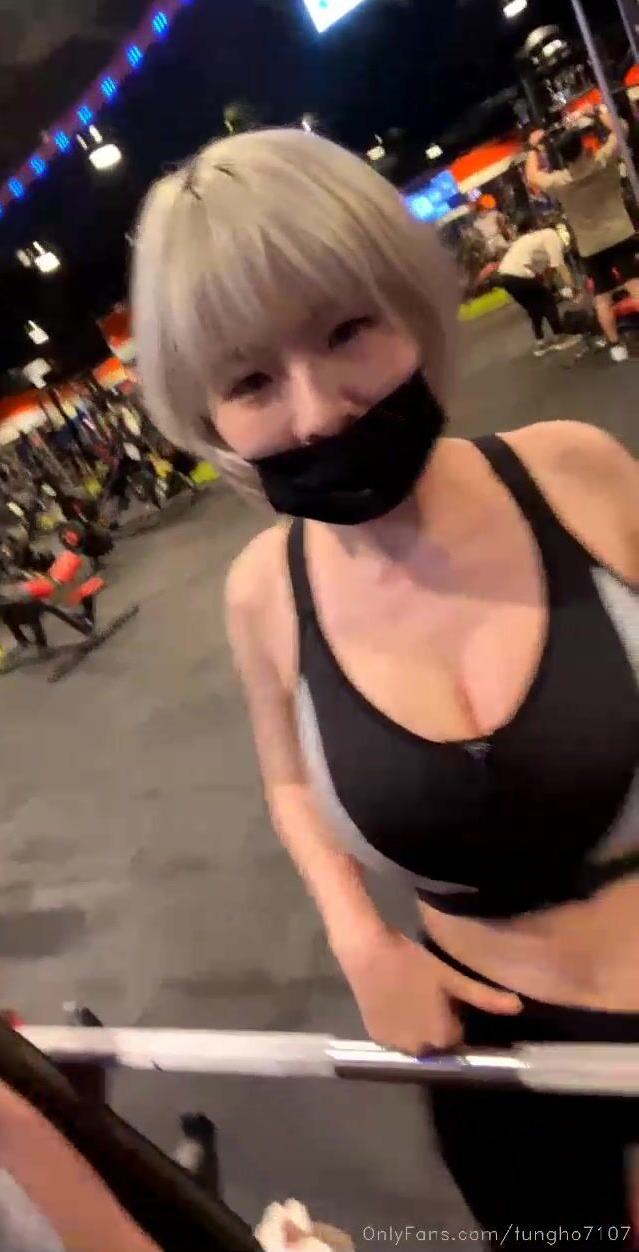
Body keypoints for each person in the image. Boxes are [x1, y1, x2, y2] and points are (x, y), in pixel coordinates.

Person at [132, 128, 639, 1244]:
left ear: (407, 303)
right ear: (207, 415)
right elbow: (286, 782)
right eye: (251, 381)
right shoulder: (263, 595)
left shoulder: (575, 474)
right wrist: (357, 935)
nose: (318, 412)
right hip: (492, 1072)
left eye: (345, 330)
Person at [526, 107, 639, 362]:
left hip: (591, 246)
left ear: (562, 156)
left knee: (602, 297)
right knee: (635, 284)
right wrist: (598, 111)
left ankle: (616, 347)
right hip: (620, 234)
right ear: (582, 144)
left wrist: (533, 147)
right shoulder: (603, 160)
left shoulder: (560, 182)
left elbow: (532, 175)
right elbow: (621, 128)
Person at [497, 218, 579, 355]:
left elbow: (546, 271)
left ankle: (540, 343)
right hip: (520, 274)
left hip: (505, 277)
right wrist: (572, 287)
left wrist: (546, 284)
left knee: (534, 309)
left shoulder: (532, 239)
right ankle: (560, 336)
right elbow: (559, 266)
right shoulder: (551, 235)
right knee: (548, 300)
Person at [471, 195, 511, 260]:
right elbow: (478, 237)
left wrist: (501, 223)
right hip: (490, 243)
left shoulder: (493, 214)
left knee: (505, 251)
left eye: (484, 209)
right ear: (477, 212)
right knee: (498, 254)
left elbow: (503, 219)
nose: (483, 211)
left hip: (499, 238)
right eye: (480, 210)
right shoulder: (476, 224)